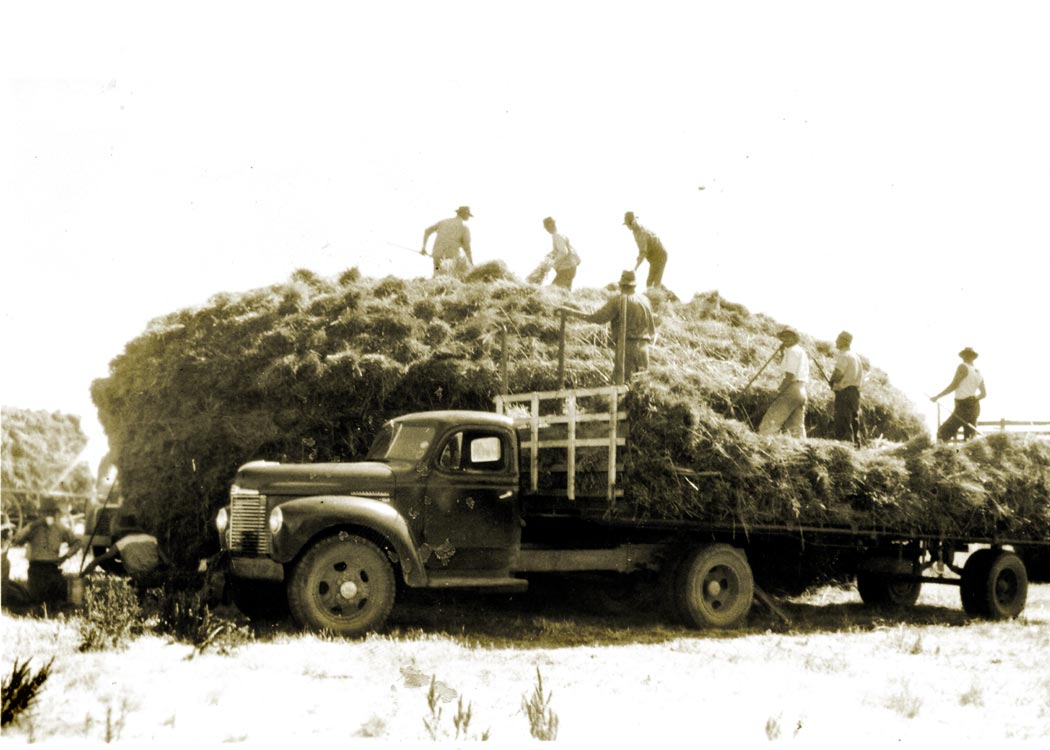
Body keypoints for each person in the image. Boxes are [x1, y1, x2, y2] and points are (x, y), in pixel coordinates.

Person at [559, 270, 656, 384]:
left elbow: (597, 318)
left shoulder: (619, 300)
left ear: (620, 285)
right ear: (634, 285)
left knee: (620, 384)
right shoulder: (645, 300)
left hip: (627, 348)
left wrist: (570, 312)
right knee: (640, 385)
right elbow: (652, 327)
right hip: (644, 348)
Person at [10, 496, 82, 608]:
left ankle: (54, 603)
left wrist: (66, 556)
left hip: (52, 568)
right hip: (36, 568)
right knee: (37, 600)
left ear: (55, 514)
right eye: (45, 512)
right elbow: (16, 540)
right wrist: (33, 525)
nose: (49, 515)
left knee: (59, 595)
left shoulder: (60, 528)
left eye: (51, 513)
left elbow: (77, 542)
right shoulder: (33, 528)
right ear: (40, 514)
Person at [758, 328, 811, 439]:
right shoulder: (799, 351)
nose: (785, 339)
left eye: (789, 336)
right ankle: (801, 447)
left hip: (791, 390)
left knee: (770, 422)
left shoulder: (792, 351)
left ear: (795, 339)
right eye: (783, 337)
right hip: (801, 391)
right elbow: (789, 366)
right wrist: (783, 352)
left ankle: (763, 442)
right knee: (796, 428)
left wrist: (779, 390)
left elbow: (790, 375)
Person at [81, 529, 171, 591]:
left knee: (135, 583)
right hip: (156, 576)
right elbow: (166, 561)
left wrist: (83, 574)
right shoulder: (152, 539)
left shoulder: (121, 542)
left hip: (138, 577)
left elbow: (99, 560)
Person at [931, 347, 986, 442]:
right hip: (975, 407)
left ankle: (940, 450)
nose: (964, 357)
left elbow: (954, 385)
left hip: (963, 406)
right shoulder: (978, 372)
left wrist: (938, 396)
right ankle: (969, 451)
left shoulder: (962, 367)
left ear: (966, 356)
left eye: (966, 355)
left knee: (943, 432)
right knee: (969, 438)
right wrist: (973, 399)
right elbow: (983, 394)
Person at [829, 330, 864, 447]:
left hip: (844, 392)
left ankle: (845, 447)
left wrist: (832, 381)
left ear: (844, 341)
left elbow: (838, 373)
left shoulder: (844, 355)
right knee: (854, 420)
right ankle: (856, 445)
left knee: (843, 420)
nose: (835, 341)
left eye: (838, 339)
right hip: (855, 393)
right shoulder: (856, 357)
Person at [421, 206, 474, 278]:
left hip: (437, 255)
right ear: (464, 214)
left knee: (437, 274)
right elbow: (467, 248)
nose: (468, 217)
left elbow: (427, 231)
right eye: (468, 215)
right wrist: (471, 263)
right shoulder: (464, 227)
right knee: (450, 277)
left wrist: (424, 248)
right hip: (451, 258)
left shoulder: (443, 222)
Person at [623, 211, 668, 290]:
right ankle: (663, 291)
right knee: (650, 283)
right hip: (653, 258)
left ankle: (663, 293)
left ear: (633, 222)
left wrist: (635, 268)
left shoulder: (641, 233)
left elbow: (643, 253)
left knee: (652, 284)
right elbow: (642, 250)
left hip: (659, 256)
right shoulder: (636, 231)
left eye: (628, 224)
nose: (627, 227)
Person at [536, 216, 580, 290]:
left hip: (566, 269)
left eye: (546, 227)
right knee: (565, 291)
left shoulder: (557, 236)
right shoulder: (560, 234)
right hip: (571, 268)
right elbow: (561, 250)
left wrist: (552, 263)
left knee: (553, 290)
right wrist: (550, 254)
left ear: (550, 226)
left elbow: (563, 252)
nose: (547, 230)